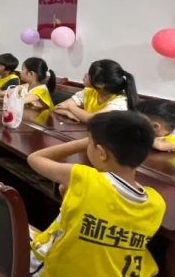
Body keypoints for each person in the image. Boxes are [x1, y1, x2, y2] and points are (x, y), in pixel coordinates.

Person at [27, 111, 165, 277]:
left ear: (101, 152)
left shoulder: (84, 178)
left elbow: (35, 158)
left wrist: (82, 143)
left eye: (90, 143)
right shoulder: (157, 203)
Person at [55, 59, 137, 122]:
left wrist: (70, 107)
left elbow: (92, 119)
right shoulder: (89, 91)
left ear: (101, 85)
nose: (85, 75)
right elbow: (57, 107)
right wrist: (68, 113)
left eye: (90, 74)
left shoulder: (120, 101)